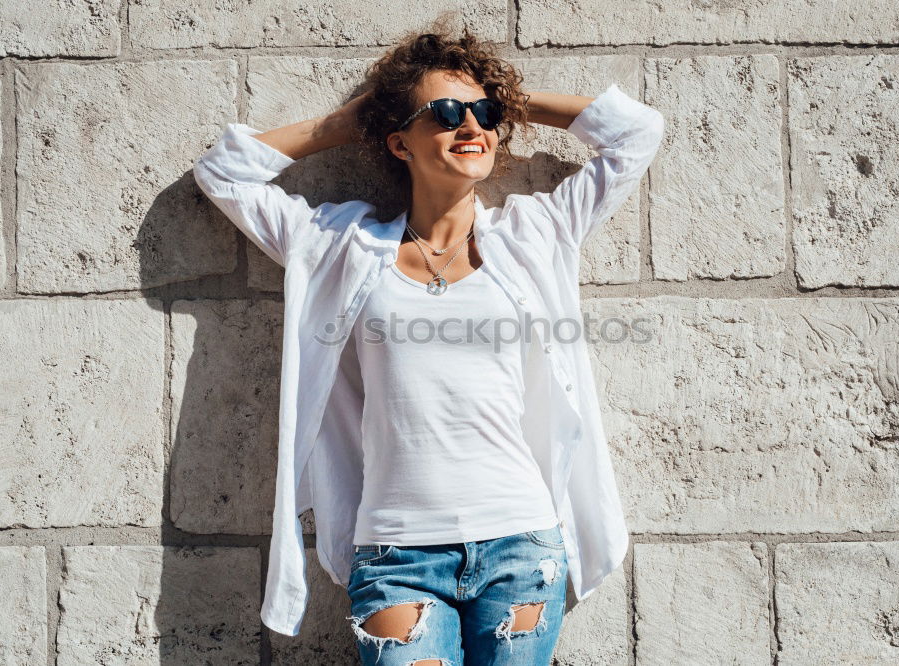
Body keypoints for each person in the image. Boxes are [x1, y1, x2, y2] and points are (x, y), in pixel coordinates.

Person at [193, 15, 665, 666]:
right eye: (444, 113)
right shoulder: (340, 246)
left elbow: (637, 133)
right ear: (398, 142)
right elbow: (224, 174)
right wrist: (344, 124)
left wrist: (513, 103)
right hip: (396, 555)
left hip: (521, 545)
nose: (470, 126)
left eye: (483, 114)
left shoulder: (536, 233)